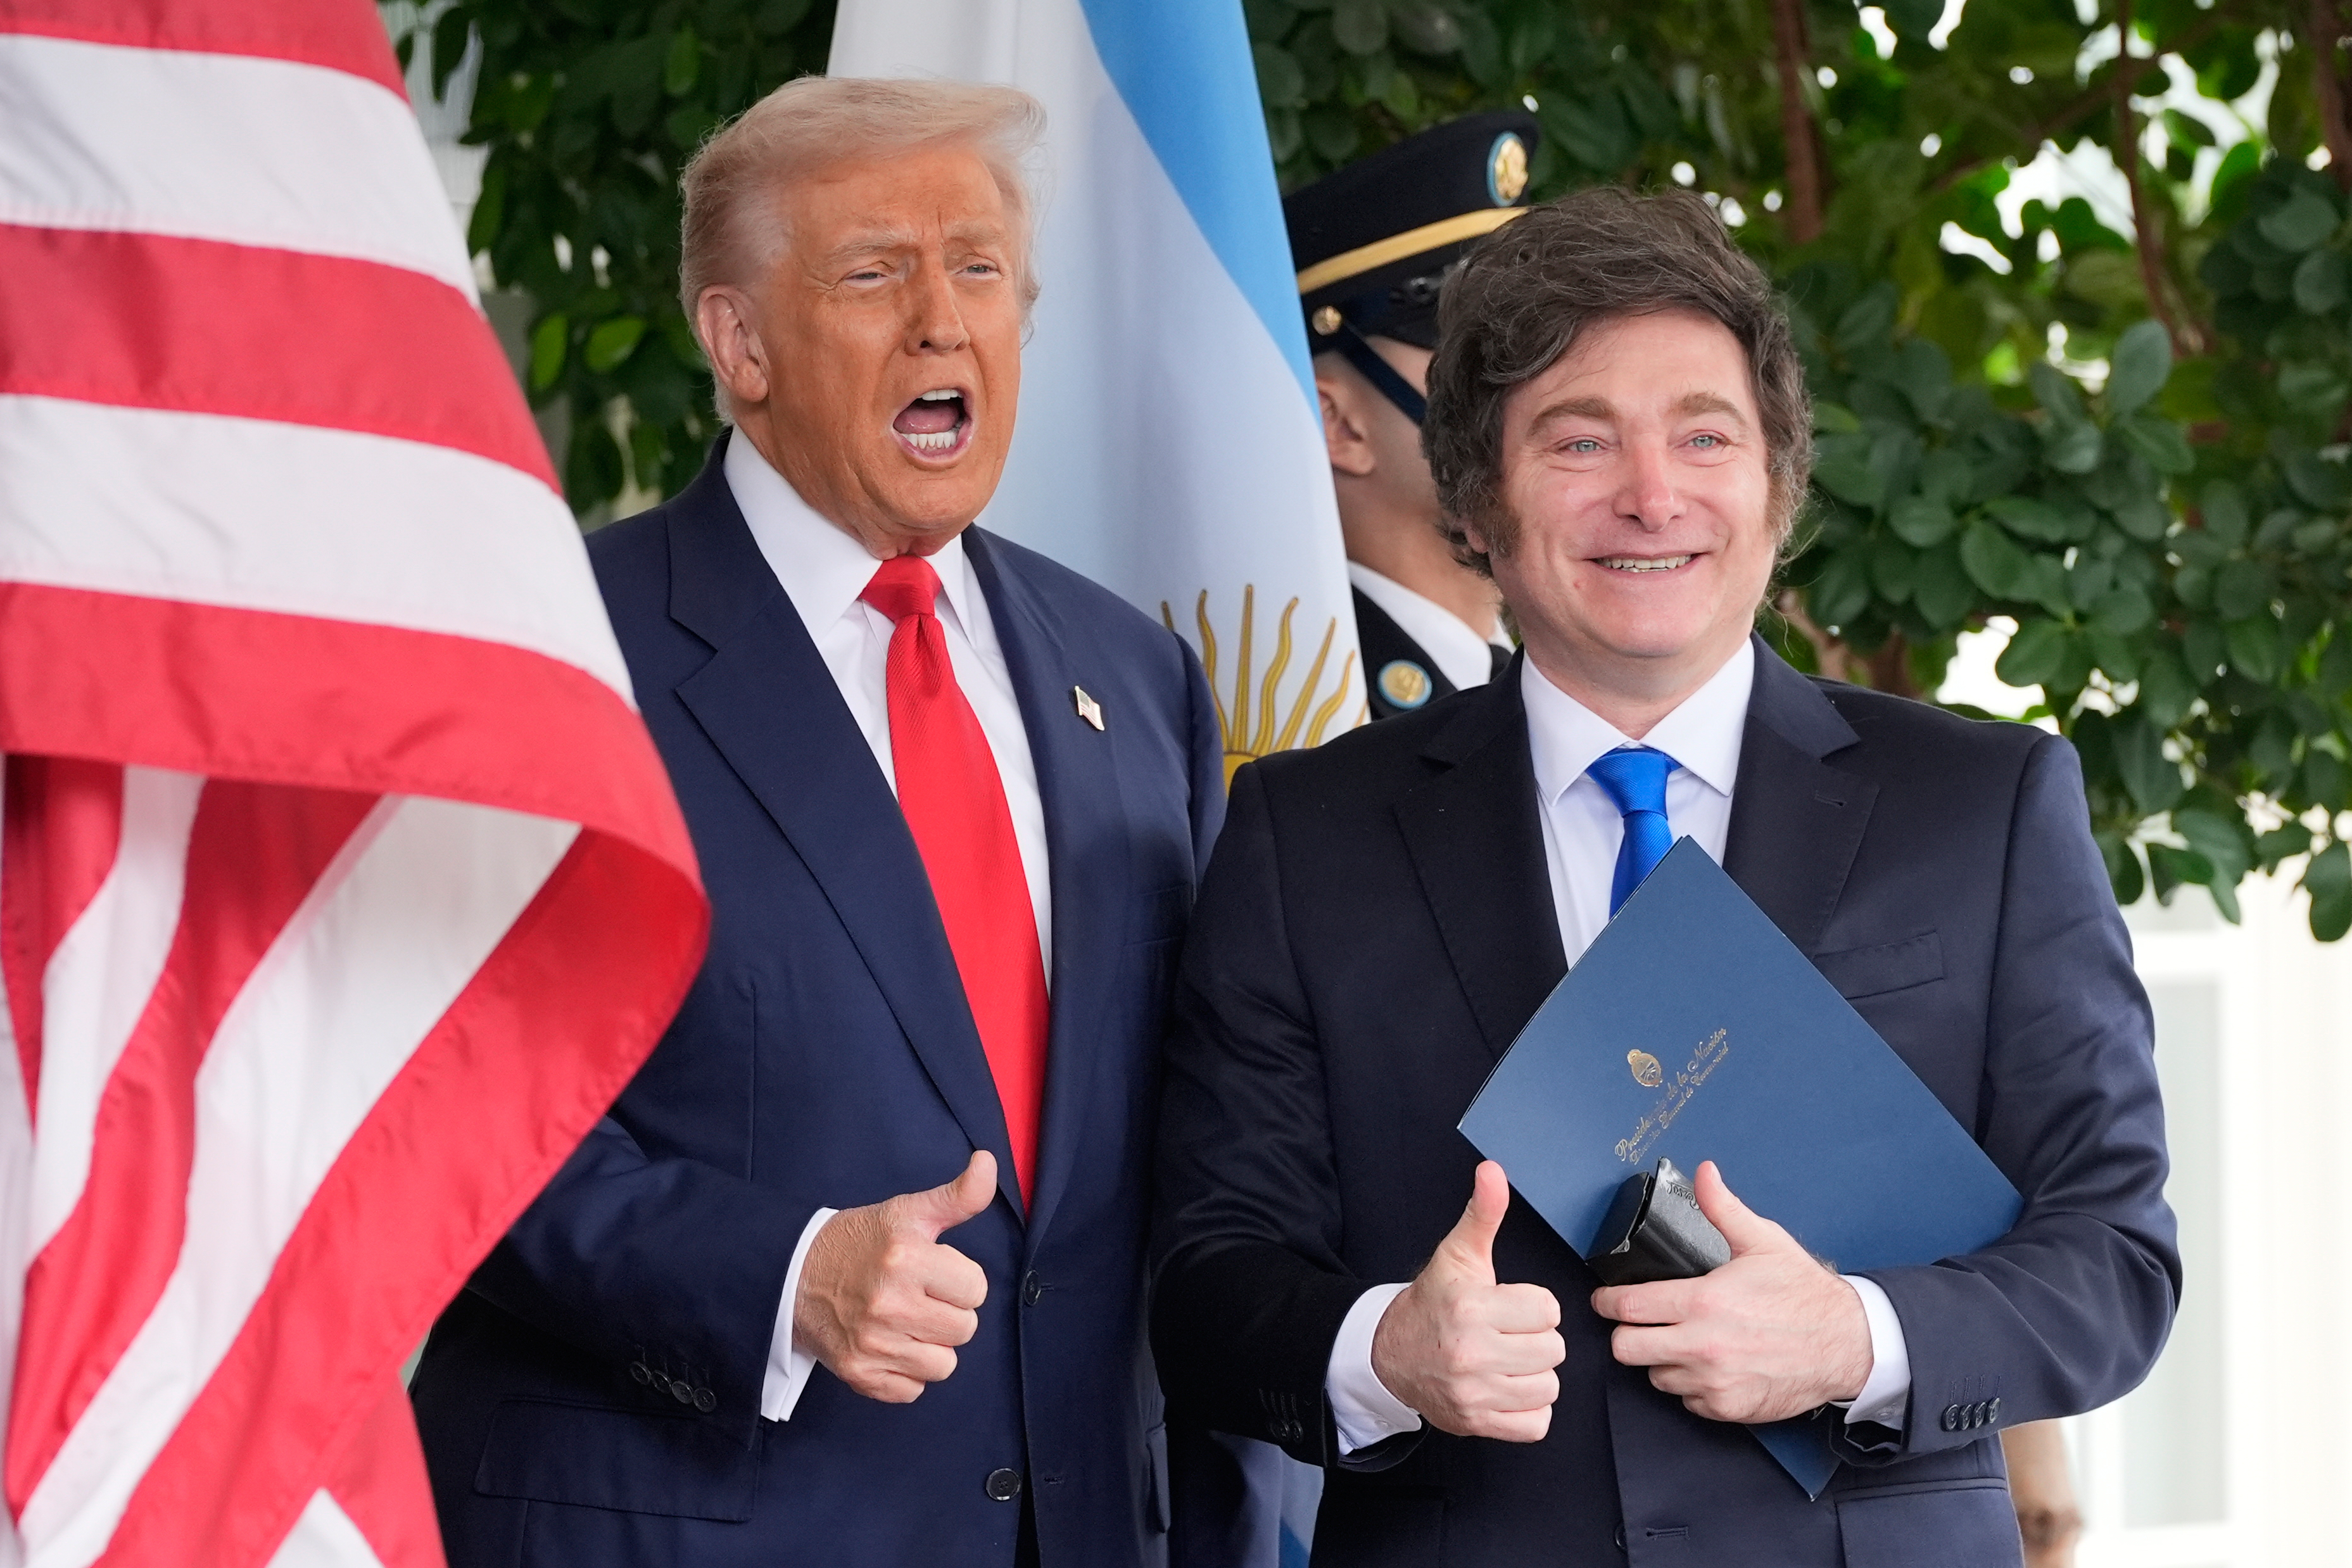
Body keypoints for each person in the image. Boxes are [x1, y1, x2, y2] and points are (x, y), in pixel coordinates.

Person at [1150, 186, 2178, 1565]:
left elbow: (2114, 1257)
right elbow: (1205, 1281)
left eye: (1706, 434)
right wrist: (1384, 1349)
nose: (1652, 493)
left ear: (1777, 480)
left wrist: (1853, 1339)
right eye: (1580, 439)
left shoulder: (1985, 807)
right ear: (1477, 499)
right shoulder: (1302, 834)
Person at [410, 77, 1227, 1567]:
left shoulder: (1139, 675)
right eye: (874, 273)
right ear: (739, 344)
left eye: (978, 267)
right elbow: (433, 1102)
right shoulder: (552, 651)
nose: (943, 319)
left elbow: (1200, 1133)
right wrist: (779, 1273)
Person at [1284, 115, 1529, 719]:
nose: (1537, 388)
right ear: (1335, 424)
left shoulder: (1569, 701)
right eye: (1481, 360)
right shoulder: (1298, 715)